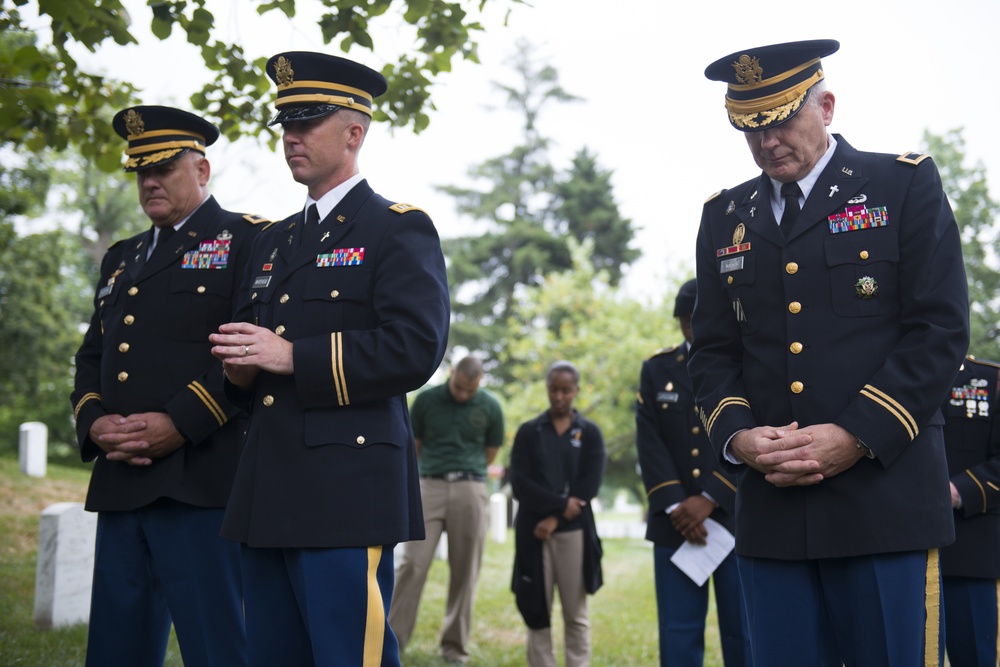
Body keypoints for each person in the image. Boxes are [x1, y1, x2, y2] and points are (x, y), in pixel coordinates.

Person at [690, 39, 969, 665]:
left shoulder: (902, 184)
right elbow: (710, 351)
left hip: (884, 503)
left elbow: (940, 331)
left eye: (783, 120)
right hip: (772, 511)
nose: (768, 143)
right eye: (751, 130)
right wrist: (738, 439)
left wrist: (855, 434)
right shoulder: (724, 216)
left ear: (828, 106)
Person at [208, 51, 450, 667]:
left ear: (353, 134)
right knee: (271, 655)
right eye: (285, 124)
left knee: (349, 655)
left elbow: (416, 348)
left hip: (347, 488)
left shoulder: (397, 228)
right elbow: (251, 357)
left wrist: (295, 357)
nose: (291, 137)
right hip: (267, 484)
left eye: (307, 123)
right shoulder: (272, 239)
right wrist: (238, 371)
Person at [71, 105, 270, 666]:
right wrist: (94, 421)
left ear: (202, 171)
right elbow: (92, 357)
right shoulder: (122, 257)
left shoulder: (248, 240)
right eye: (141, 171)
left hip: (201, 482)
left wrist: (179, 423)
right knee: (115, 648)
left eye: (163, 168)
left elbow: (246, 349)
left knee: (218, 647)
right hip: (121, 479)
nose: (150, 182)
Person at [635, 278, 751, 667]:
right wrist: (676, 506)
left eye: (700, 319)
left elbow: (753, 433)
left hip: (736, 518)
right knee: (678, 631)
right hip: (677, 523)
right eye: (686, 320)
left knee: (744, 630)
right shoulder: (657, 369)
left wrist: (711, 496)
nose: (693, 328)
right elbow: (649, 442)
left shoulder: (747, 362)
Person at [388, 355, 505, 663]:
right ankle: (394, 642)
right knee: (413, 563)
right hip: (430, 486)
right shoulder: (426, 400)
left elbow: (490, 453)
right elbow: (414, 446)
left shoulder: (491, 406)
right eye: (459, 387)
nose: (463, 394)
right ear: (451, 374)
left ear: (479, 382)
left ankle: (454, 648)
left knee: (466, 570)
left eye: (471, 389)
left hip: (471, 487)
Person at [509, 360, 606, 667]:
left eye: (566, 390)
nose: (559, 396)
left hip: (573, 533)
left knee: (575, 611)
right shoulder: (529, 432)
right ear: (547, 388)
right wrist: (557, 505)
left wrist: (556, 517)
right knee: (536, 607)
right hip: (532, 532)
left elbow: (589, 485)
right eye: (554, 389)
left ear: (576, 391)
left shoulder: (589, 433)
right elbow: (520, 483)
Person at [940, 354, 1000, 665]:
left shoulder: (992, 381)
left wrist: (956, 491)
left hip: (967, 554)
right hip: (888, 549)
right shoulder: (872, 374)